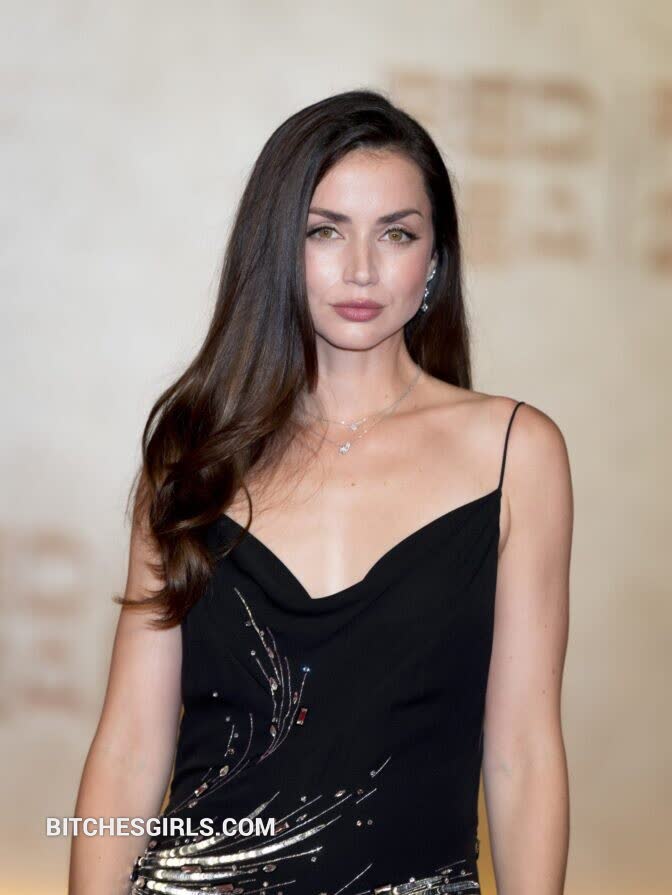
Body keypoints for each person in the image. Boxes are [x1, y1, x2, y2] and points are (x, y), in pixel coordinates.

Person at [69, 89, 572, 895]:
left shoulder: (516, 454)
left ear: (435, 260)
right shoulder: (193, 457)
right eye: (324, 230)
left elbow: (523, 752)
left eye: (397, 233)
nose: (361, 268)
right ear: (277, 246)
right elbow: (130, 745)